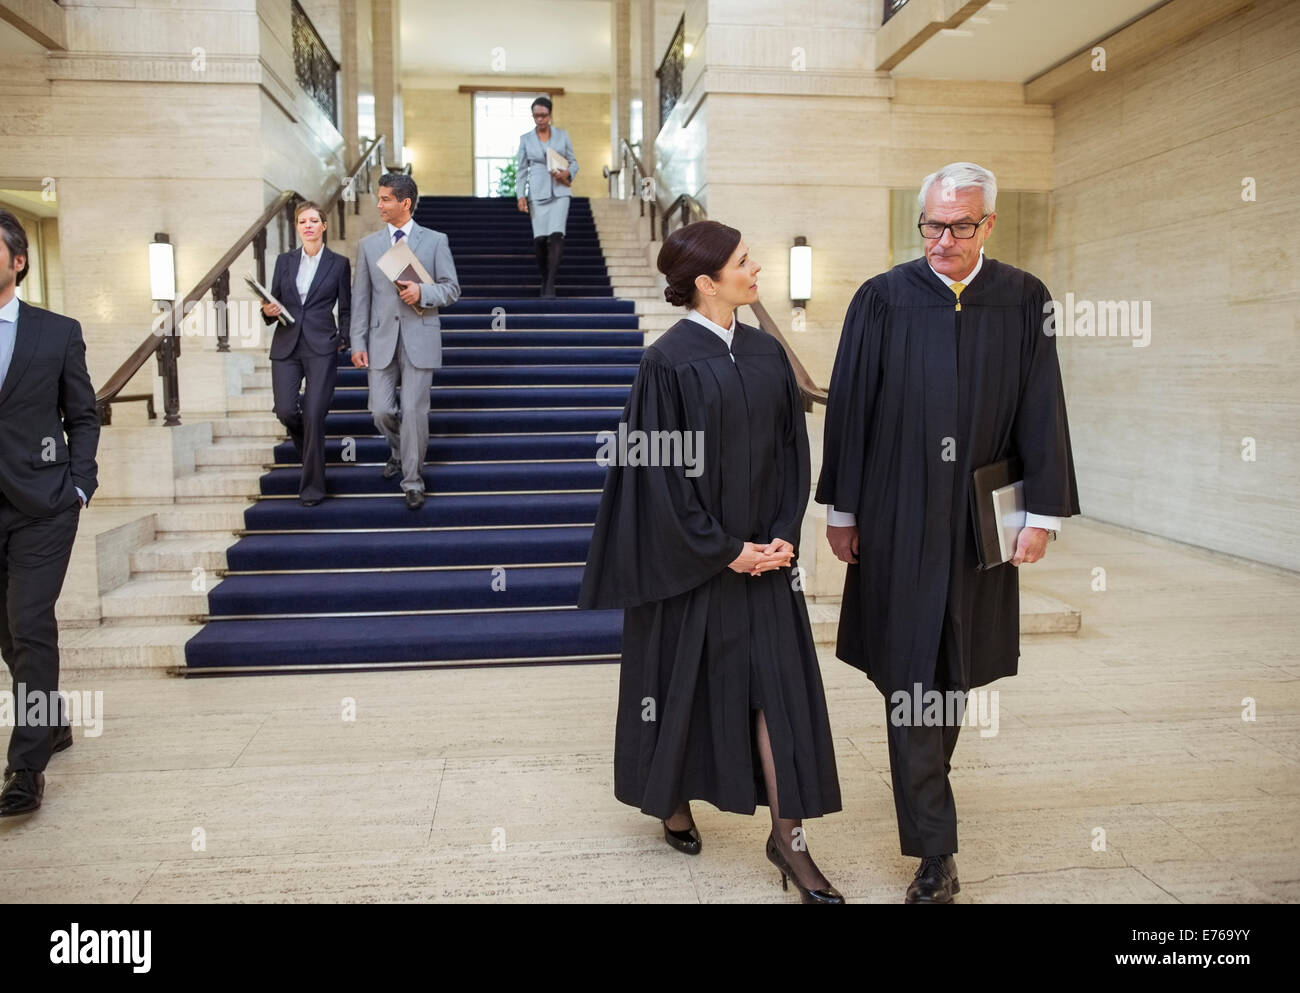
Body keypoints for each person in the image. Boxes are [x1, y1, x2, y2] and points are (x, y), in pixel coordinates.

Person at [816, 162, 1081, 903]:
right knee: (909, 671)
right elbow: (851, 407)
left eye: (958, 226)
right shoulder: (882, 298)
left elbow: (1042, 404)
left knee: (954, 665)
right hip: (897, 512)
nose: (940, 239)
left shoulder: (1025, 299)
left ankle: (929, 780)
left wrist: (1043, 513)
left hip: (980, 514)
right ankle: (936, 851)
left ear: (988, 224)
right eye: (930, 224)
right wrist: (842, 509)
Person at [579, 219, 844, 904]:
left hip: (767, 562)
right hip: (695, 568)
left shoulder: (765, 352)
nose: (756, 269)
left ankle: (789, 837)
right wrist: (726, 550)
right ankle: (671, 801)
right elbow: (658, 477)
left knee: (778, 697)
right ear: (706, 279)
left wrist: (781, 536)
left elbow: (793, 452)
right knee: (681, 691)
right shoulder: (666, 362)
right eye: (743, 261)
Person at [0, 209, 99, 816]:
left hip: (43, 505)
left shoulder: (56, 332)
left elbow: (82, 415)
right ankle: (54, 717)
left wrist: (79, 484)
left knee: (30, 623)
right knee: (6, 631)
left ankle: (25, 767)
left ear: (18, 260)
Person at [350, 173, 460, 510]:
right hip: (381, 339)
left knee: (414, 412)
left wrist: (423, 292)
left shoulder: (435, 240)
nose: (379, 205)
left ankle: (412, 480)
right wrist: (357, 342)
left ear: (405, 203)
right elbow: (361, 299)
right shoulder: (369, 245)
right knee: (380, 410)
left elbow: (451, 288)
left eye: (385, 199)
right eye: (379, 198)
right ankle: (399, 451)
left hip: (420, 338)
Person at [261, 201, 351, 507]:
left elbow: (347, 308)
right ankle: (310, 449)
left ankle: (313, 487)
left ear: (324, 226)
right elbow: (271, 303)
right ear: (297, 228)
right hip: (286, 343)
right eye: (302, 221)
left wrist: (344, 339)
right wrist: (268, 310)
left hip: (322, 345)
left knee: (314, 414)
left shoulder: (338, 264)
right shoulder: (284, 262)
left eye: (314, 220)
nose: (308, 225)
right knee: (286, 410)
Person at [515, 96, 578, 297]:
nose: (539, 119)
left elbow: (573, 162)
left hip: (560, 191)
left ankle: (550, 284)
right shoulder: (525, 139)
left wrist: (567, 173)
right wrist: (520, 195)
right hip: (537, 191)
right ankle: (545, 276)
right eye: (536, 116)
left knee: (557, 235)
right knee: (540, 241)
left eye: (543, 115)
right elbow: (521, 169)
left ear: (550, 115)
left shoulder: (562, 135)